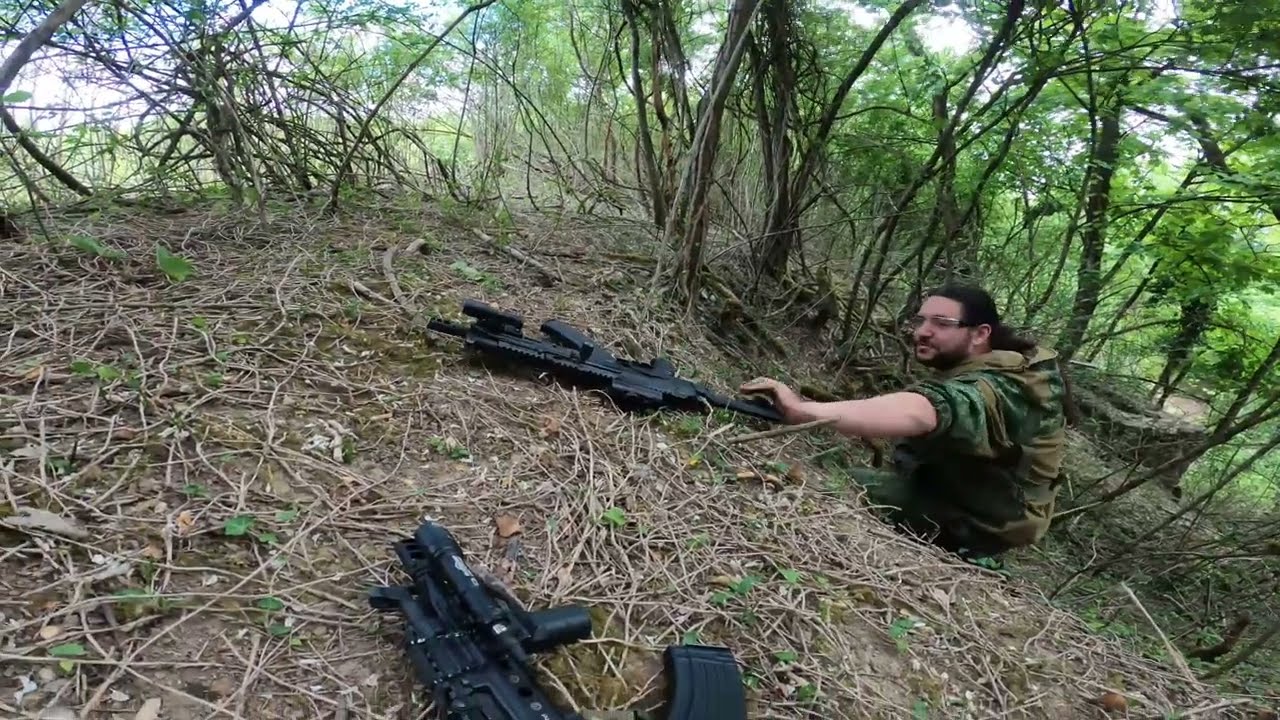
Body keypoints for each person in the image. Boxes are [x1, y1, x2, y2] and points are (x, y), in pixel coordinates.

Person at [740, 284, 1067, 557]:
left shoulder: (1001, 388)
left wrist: (802, 411)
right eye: (921, 320)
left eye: (942, 323)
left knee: (830, 487)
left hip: (983, 521)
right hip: (975, 499)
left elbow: (925, 410)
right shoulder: (999, 369)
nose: (922, 332)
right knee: (834, 474)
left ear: (980, 334)